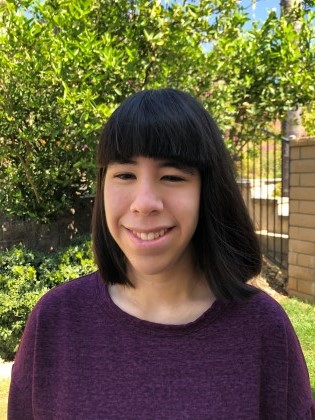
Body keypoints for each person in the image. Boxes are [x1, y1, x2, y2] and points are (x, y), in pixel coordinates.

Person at [8, 89, 314, 419]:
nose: (144, 202)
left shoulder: (263, 330)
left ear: (206, 192)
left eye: (172, 177)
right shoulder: (55, 322)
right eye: (125, 174)